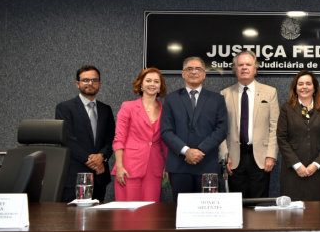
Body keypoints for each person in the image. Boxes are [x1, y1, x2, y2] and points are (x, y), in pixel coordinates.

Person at [160, 57, 227, 201]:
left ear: (204, 74)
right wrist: (186, 151)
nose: (194, 72)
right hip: (179, 165)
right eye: (189, 69)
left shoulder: (217, 99)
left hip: (207, 164)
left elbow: (221, 129)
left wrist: (200, 151)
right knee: (181, 211)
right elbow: (166, 131)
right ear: (183, 74)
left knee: (208, 214)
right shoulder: (171, 99)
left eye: (198, 69)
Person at [219, 51, 279, 197]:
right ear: (235, 69)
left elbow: (274, 126)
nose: (244, 68)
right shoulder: (224, 94)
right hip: (234, 157)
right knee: (236, 203)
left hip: (261, 157)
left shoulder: (269, 92)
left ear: (255, 68)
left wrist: (271, 155)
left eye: (248, 64)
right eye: (240, 65)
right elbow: (220, 128)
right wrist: (225, 157)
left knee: (259, 203)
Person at [55, 65, 115, 202]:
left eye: (94, 80)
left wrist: (102, 156)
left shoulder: (106, 109)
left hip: (99, 176)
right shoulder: (65, 108)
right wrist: (94, 162)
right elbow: (67, 139)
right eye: (85, 80)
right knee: (71, 220)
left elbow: (110, 138)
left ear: (99, 83)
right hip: (75, 174)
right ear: (77, 83)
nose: (90, 83)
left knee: (97, 220)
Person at [111, 68, 168, 202]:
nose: (152, 84)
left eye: (156, 81)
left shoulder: (165, 111)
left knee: (151, 213)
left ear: (160, 86)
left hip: (155, 168)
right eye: (148, 80)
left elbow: (165, 143)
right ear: (141, 84)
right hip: (129, 167)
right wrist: (119, 166)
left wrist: (167, 167)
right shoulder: (128, 107)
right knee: (127, 212)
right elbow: (119, 139)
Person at [277, 70, 320, 201]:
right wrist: (297, 165)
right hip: (292, 170)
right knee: (291, 215)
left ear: (315, 88)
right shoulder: (286, 109)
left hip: (316, 171)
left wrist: (316, 164)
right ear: (295, 88)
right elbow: (282, 138)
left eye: (308, 83)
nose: (304, 87)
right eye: (300, 84)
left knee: (316, 213)